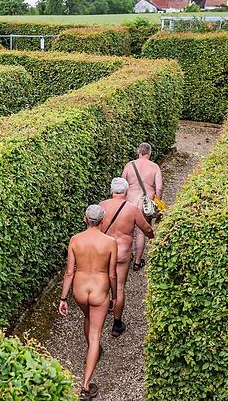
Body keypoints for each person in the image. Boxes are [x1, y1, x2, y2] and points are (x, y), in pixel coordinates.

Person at [58, 205, 118, 400]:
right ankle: (85, 386)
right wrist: (114, 296)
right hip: (100, 289)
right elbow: (112, 274)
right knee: (95, 336)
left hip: (79, 289)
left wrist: (63, 298)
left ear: (85, 219)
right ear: (102, 221)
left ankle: (92, 352)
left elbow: (69, 272)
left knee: (87, 317)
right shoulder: (110, 242)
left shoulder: (75, 240)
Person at [98, 178, 154, 336]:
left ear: (111, 191)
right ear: (127, 192)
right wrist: (155, 237)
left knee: (103, 284)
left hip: (104, 250)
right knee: (120, 287)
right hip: (122, 253)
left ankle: (99, 316)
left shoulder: (102, 205)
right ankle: (116, 324)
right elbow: (147, 229)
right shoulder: (132, 210)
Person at [121, 142, 162, 271]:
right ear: (149, 153)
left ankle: (126, 257)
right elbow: (159, 188)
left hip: (130, 201)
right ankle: (138, 262)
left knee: (127, 231)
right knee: (140, 233)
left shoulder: (129, 165)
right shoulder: (154, 167)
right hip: (145, 203)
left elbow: (122, 184)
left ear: (138, 152)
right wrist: (157, 202)